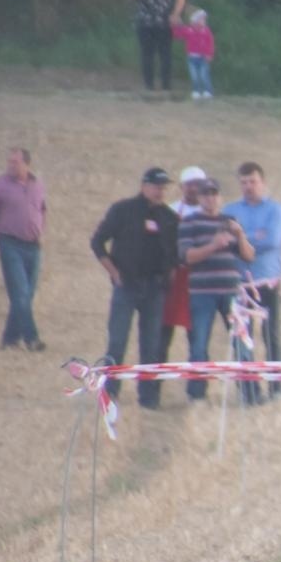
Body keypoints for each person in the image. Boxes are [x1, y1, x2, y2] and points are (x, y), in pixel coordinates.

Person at [90, 168, 180, 409]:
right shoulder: (123, 210)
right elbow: (97, 242)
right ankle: (110, 393)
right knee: (117, 341)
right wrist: (114, 273)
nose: (160, 191)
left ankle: (148, 398)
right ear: (144, 186)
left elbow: (175, 256)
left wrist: (167, 282)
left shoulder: (169, 217)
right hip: (127, 285)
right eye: (156, 186)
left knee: (151, 346)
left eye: (163, 187)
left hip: (155, 289)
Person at [178, 178, 253, 402]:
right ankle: (197, 394)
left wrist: (240, 235)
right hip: (202, 292)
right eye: (206, 194)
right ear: (199, 198)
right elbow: (186, 257)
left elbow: (249, 256)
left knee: (242, 342)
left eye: (214, 194)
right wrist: (213, 245)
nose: (210, 198)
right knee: (199, 344)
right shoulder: (190, 222)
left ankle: (249, 393)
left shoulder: (230, 221)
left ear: (219, 197)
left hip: (231, 291)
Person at [223, 161, 281, 403]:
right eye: (244, 182)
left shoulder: (275, 210)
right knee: (242, 339)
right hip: (240, 285)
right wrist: (252, 237)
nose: (248, 186)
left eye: (253, 181)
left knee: (272, 336)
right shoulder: (230, 210)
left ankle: (276, 388)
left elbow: (272, 240)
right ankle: (249, 392)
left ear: (262, 182)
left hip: (268, 283)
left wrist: (242, 238)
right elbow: (227, 242)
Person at [0, 147, 48, 351]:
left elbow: (42, 210)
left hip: (34, 246)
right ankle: (32, 339)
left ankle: (10, 340)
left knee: (26, 296)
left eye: (15, 162)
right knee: (20, 294)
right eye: (9, 162)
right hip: (10, 244)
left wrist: (41, 232)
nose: (11, 166)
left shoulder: (38, 185)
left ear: (26, 164)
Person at [159, 165, 209, 363]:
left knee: (197, 339)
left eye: (198, 184)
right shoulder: (169, 211)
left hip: (198, 281)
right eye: (189, 184)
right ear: (182, 187)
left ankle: (197, 381)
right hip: (173, 280)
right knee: (162, 336)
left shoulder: (210, 212)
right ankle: (155, 379)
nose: (194, 188)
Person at [129, 0, 185, 91]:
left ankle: (166, 87)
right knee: (147, 54)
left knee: (165, 54)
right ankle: (149, 87)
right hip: (145, 19)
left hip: (165, 19)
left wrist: (175, 14)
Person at [171, 8, 215, 100]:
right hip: (192, 57)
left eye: (204, 20)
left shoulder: (206, 31)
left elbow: (210, 43)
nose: (204, 21)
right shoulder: (189, 30)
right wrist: (175, 25)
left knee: (204, 75)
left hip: (203, 57)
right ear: (195, 21)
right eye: (201, 19)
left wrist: (209, 54)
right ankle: (196, 91)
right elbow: (177, 35)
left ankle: (207, 91)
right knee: (194, 76)